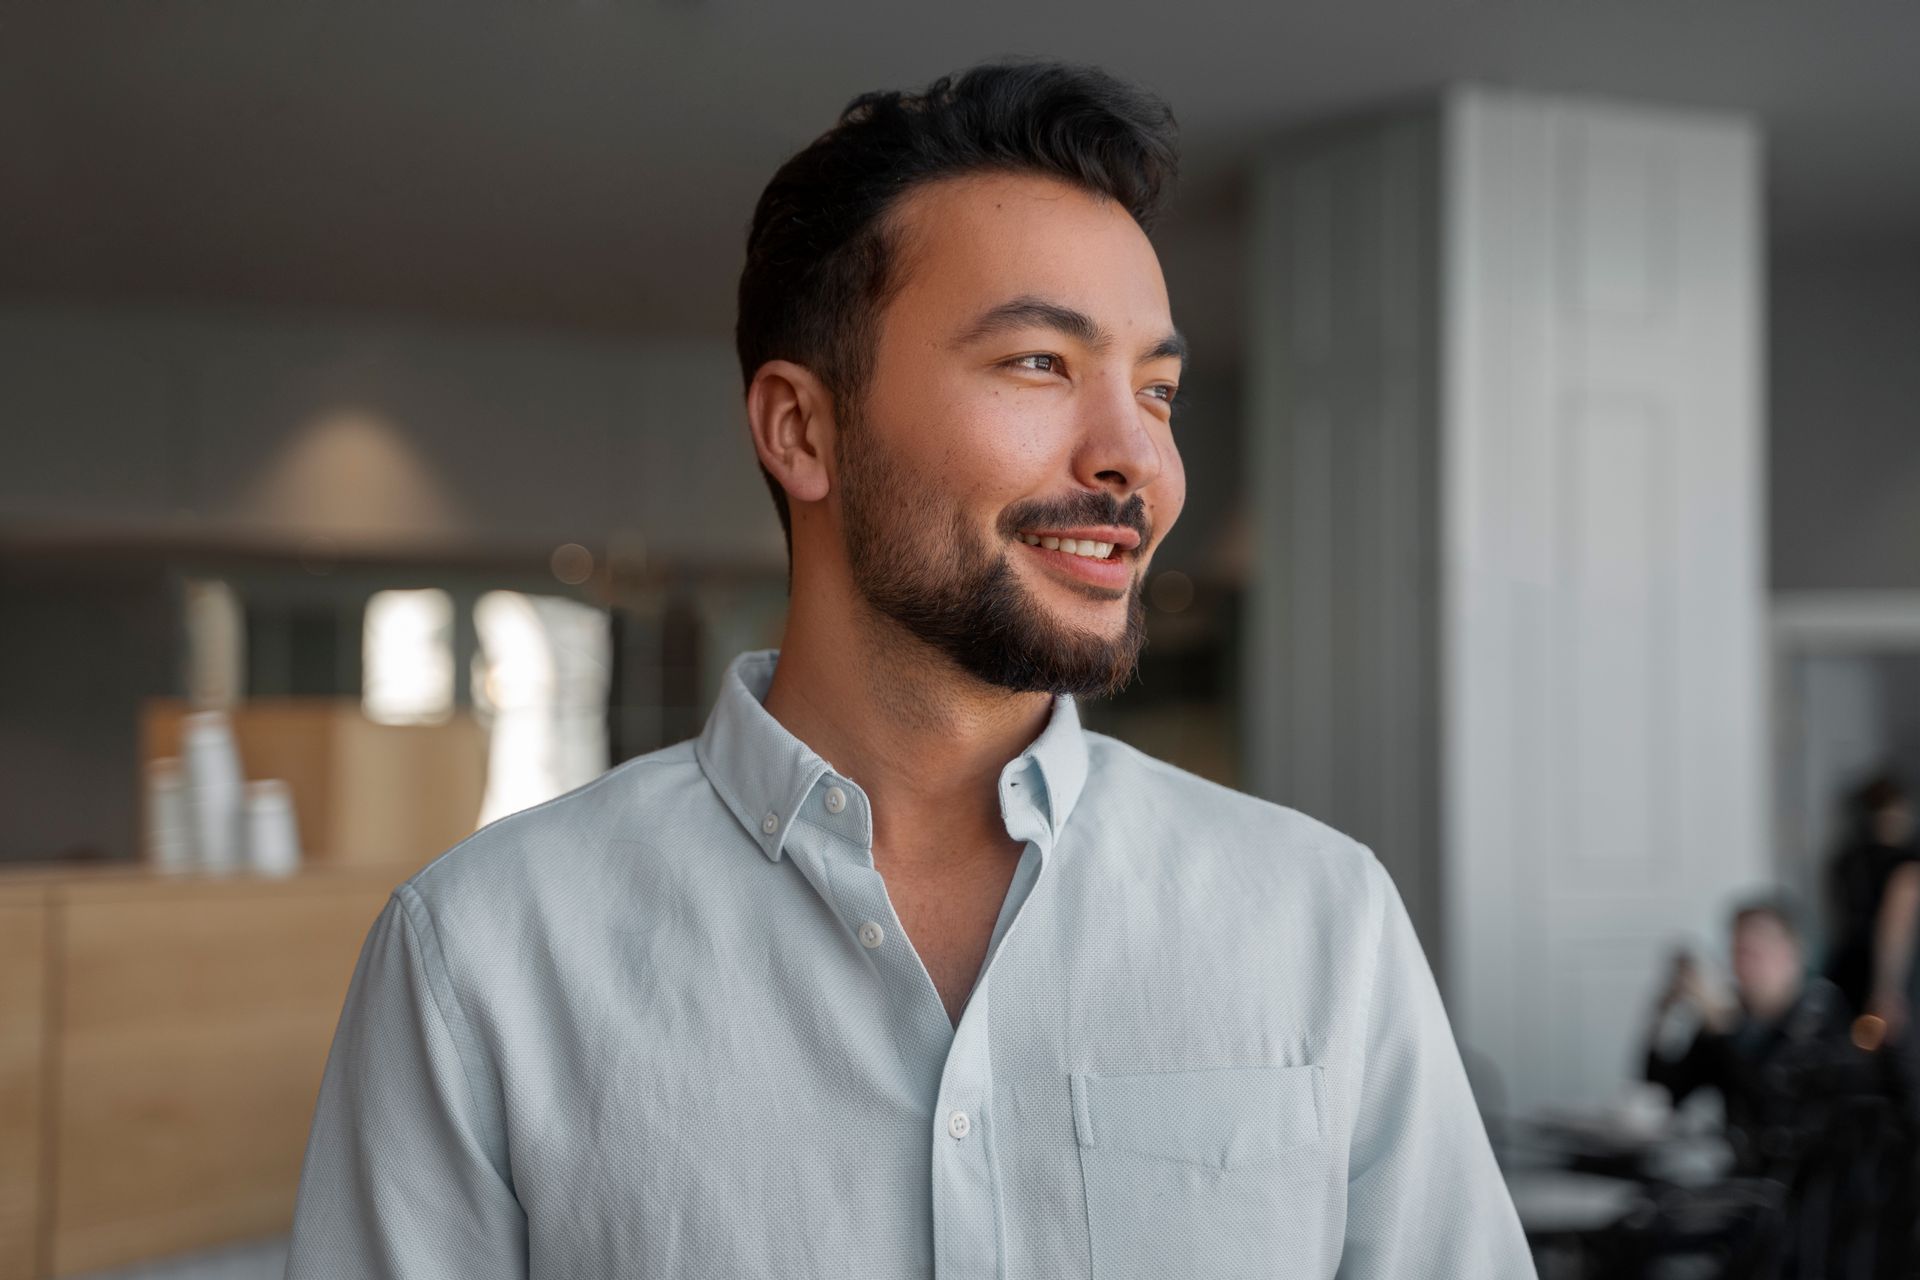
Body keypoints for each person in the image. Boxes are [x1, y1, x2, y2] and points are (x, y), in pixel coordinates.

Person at [285, 62, 1532, 1278]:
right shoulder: (484, 957)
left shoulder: (1321, 919)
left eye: (1157, 390)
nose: (1136, 460)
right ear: (803, 429)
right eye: (1040, 362)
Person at [1633, 899, 1917, 1278]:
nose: (1745, 965)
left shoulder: (1823, 1014)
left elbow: (1778, 1105)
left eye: (1756, 951)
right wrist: (1663, 1012)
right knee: (1637, 1228)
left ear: (1791, 952)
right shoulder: (1730, 1018)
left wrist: (1727, 1028)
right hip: (1745, 1188)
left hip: (1811, 1207)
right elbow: (1663, 1089)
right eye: (1737, 951)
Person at [1825, 774, 1920, 1035]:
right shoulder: (1905, 866)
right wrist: (1887, 990)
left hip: (1845, 967)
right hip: (1887, 974)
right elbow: (1895, 927)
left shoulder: (1845, 860)